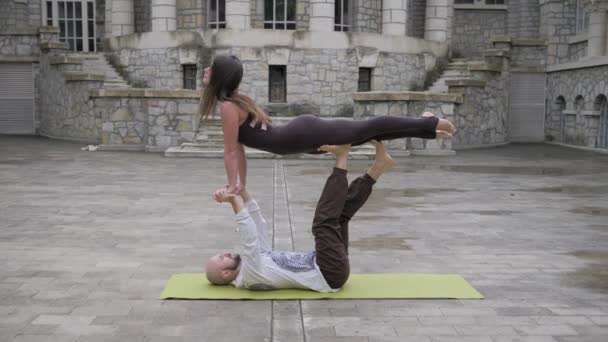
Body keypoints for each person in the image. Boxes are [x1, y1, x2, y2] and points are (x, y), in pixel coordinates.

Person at [199, 55, 456, 194]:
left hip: (303, 134)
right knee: (363, 136)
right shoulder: (233, 103)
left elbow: (231, 150)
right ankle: (429, 130)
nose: (206, 70)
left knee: (368, 127)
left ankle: (428, 122)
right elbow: (239, 150)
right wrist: (240, 184)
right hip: (301, 138)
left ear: (219, 76)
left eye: (211, 68)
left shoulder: (228, 107)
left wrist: (232, 184)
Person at [205, 140, 394, 292]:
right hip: (328, 273)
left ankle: (378, 167)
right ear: (225, 275)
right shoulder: (250, 277)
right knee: (323, 223)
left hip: (328, 264)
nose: (226, 252)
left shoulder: (254, 262)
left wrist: (242, 192)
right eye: (222, 258)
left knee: (339, 217)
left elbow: (258, 225)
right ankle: (342, 157)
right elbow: (249, 238)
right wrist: (233, 202)